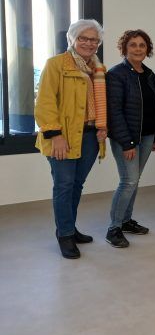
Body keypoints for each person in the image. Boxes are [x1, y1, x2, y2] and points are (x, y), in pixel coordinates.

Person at [35, 19, 107, 259]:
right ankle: (64, 235)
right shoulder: (56, 64)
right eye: (83, 38)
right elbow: (44, 102)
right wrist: (55, 135)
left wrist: (103, 127)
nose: (89, 43)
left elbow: (100, 103)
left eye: (94, 40)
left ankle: (70, 227)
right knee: (64, 186)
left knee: (76, 185)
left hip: (90, 136)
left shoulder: (98, 68)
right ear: (72, 40)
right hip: (63, 136)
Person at [105, 29, 155, 248]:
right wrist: (127, 142)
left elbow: (154, 108)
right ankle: (114, 228)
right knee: (128, 181)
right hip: (126, 139)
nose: (138, 49)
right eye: (133, 45)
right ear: (125, 48)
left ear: (147, 49)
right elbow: (114, 112)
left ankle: (126, 221)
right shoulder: (116, 74)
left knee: (134, 180)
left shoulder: (149, 74)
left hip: (147, 136)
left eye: (142, 45)